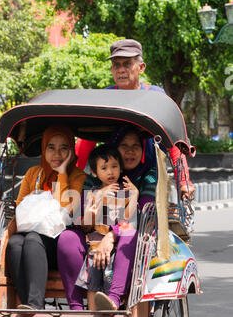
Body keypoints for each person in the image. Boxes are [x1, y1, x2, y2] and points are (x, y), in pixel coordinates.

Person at [75, 38, 194, 200]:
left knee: (148, 207)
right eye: (117, 65)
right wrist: (72, 176)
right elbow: (87, 140)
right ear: (111, 69)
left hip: (148, 171)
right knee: (86, 200)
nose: (121, 70)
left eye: (127, 64)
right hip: (112, 170)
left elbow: (173, 142)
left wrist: (184, 181)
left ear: (141, 68)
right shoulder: (105, 97)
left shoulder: (155, 96)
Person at [57, 127, 157, 311]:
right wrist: (96, 198)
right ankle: (76, 308)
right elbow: (82, 221)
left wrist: (112, 236)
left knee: (130, 234)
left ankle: (114, 298)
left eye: (136, 145)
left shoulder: (147, 176)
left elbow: (141, 216)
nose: (130, 151)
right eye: (124, 145)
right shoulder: (93, 183)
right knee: (67, 238)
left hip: (130, 240)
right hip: (93, 238)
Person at [6, 125, 86, 310]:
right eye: (51, 147)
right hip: (29, 238)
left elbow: (65, 210)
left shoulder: (78, 177)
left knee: (33, 239)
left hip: (60, 244)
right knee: (15, 243)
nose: (57, 153)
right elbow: (20, 209)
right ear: (44, 149)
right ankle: (27, 303)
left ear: (72, 151)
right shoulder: (34, 174)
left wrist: (63, 173)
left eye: (64, 148)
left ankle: (35, 305)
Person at [75, 144, 139, 311]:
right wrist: (99, 197)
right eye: (104, 168)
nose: (110, 172)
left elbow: (128, 220)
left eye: (114, 166)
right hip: (94, 247)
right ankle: (91, 314)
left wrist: (135, 196)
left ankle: (113, 301)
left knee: (109, 278)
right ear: (95, 173)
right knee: (92, 284)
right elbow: (86, 224)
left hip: (116, 249)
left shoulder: (124, 192)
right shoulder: (92, 193)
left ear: (120, 168)